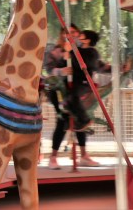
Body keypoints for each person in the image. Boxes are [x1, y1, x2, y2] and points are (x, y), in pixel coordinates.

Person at [48, 28, 100, 169]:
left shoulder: (88, 52)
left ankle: (83, 154)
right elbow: (52, 68)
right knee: (63, 121)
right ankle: (53, 157)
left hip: (79, 85)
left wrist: (71, 53)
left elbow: (86, 64)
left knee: (78, 120)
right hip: (65, 87)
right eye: (69, 33)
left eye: (77, 33)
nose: (76, 36)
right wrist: (62, 67)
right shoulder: (60, 50)